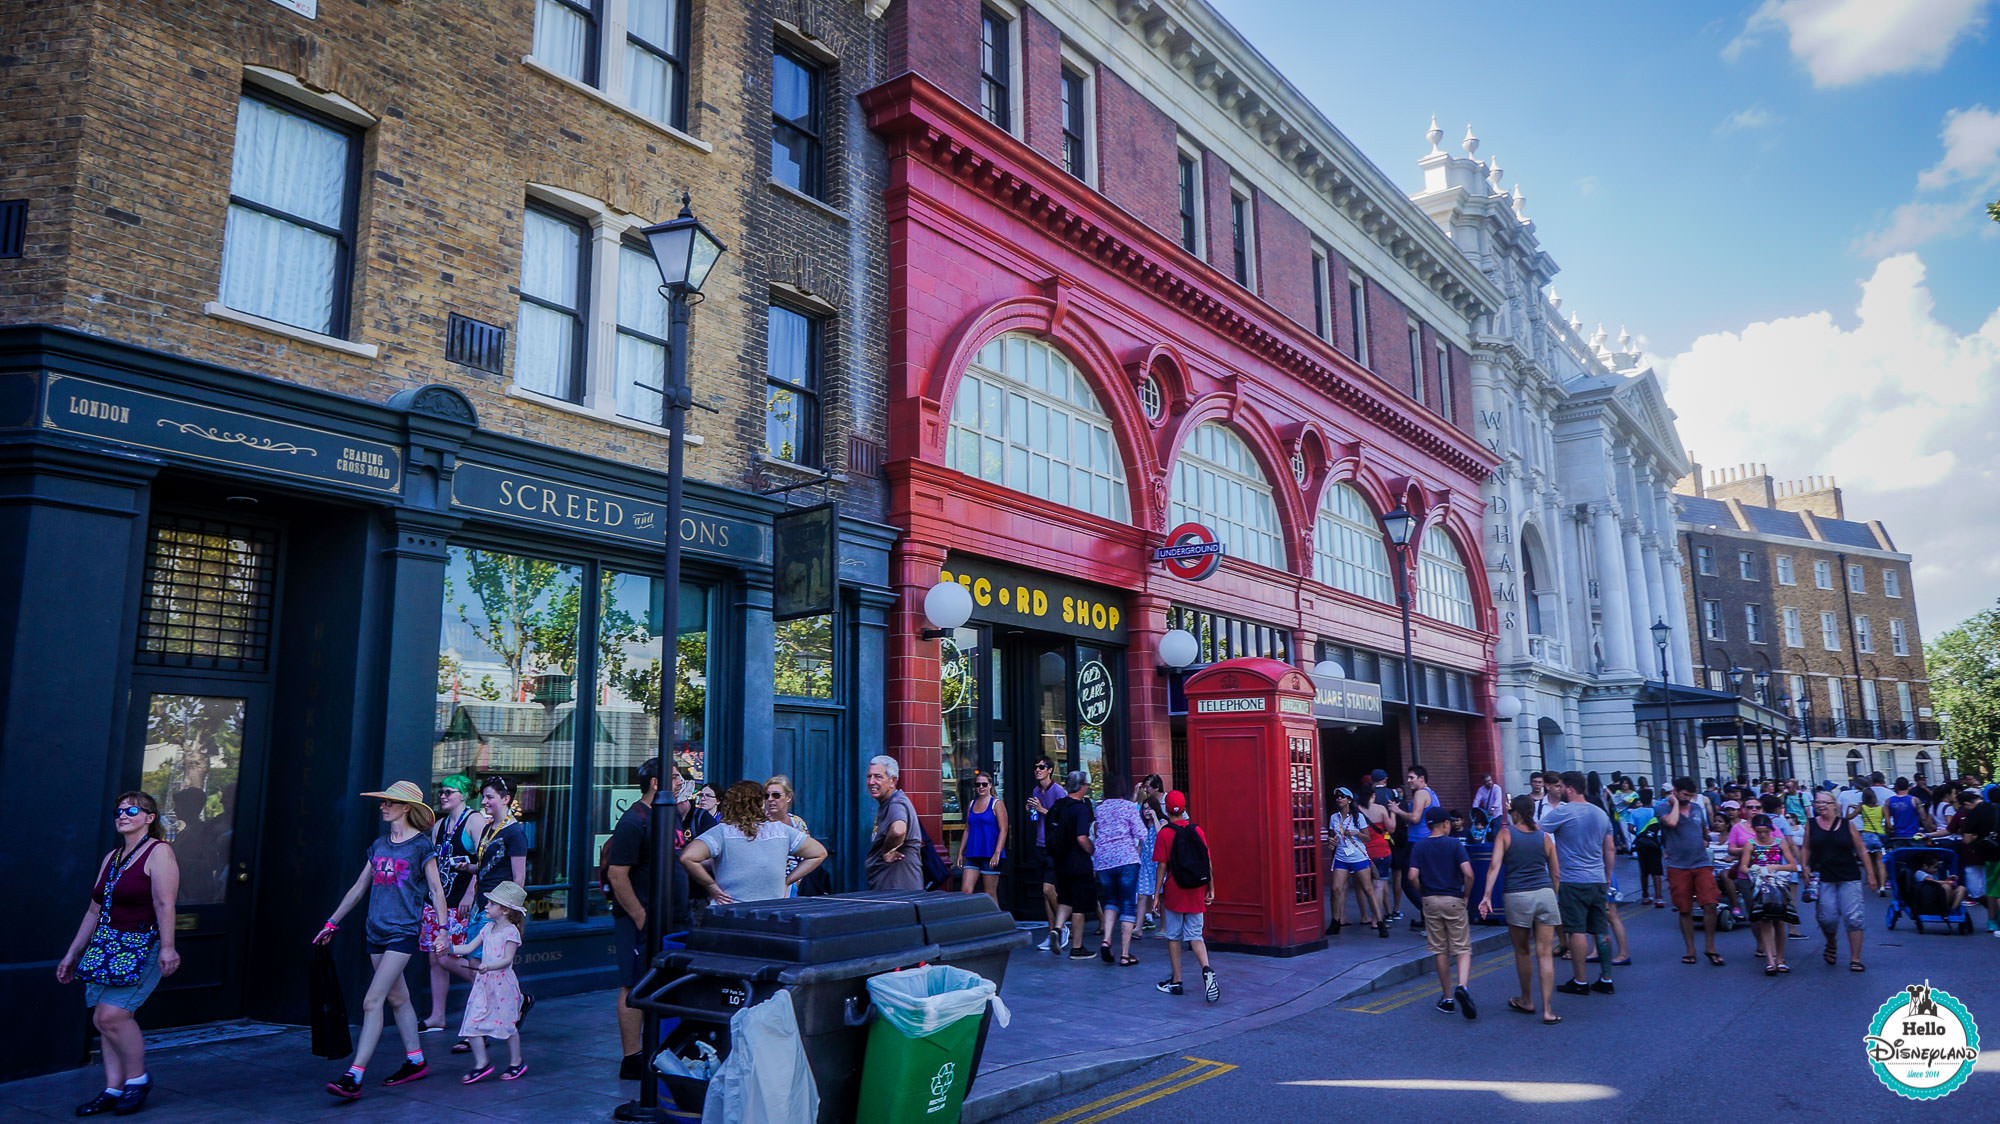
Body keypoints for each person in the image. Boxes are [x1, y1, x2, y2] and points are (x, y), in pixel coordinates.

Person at [314, 781, 452, 1100]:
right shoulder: (379, 845)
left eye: (389, 802)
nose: (383, 806)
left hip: (402, 933)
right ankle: (416, 1061)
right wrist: (331, 922)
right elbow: (358, 888)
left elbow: (436, 890)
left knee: (371, 1001)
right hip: (374, 931)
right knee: (397, 999)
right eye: (383, 802)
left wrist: (443, 930)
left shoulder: (421, 846)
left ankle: (354, 1075)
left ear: (406, 808)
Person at [57, 791, 181, 1117]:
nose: (122, 815)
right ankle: (113, 1088)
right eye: (118, 811)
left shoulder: (159, 852)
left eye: (132, 810)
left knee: (114, 1016)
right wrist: (72, 954)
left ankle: (138, 1080)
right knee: (102, 1019)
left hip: (141, 945)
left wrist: (167, 947)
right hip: (105, 947)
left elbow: (165, 903)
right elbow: (93, 909)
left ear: (150, 817)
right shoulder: (111, 857)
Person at [605, 757, 673, 1081]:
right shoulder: (633, 821)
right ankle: (632, 1059)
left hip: (663, 918)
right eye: (673, 776)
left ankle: (655, 1051)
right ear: (656, 784)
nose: (680, 781)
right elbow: (618, 875)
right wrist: (641, 916)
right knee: (633, 984)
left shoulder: (663, 817)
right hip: (637, 919)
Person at [1479, 795, 1561, 1024]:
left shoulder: (1506, 834)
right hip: (1544, 894)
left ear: (1515, 812)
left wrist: (1486, 896)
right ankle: (1548, 1010)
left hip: (1517, 895)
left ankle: (1526, 999)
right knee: (1545, 953)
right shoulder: (1545, 837)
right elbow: (1556, 872)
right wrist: (1553, 894)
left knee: (1523, 951)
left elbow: (1494, 866)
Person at [682, 781, 828, 904]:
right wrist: (787, 881)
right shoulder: (781, 830)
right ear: (760, 803)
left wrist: (711, 886)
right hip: (770, 911)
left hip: (729, 911)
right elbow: (819, 853)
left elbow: (688, 857)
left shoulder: (722, 832)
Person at [1540, 771, 1616, 995]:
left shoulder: (1564, 811)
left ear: (1570, 788)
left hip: (1572, 880)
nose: (1558, 790)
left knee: (1577, 931)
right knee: (1601, 929)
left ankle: (1580, 981)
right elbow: (1609, 848)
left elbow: (1537, 831)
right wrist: (1608, 876)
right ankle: (1606, 978)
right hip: (1598, 879)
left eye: (1561, 786)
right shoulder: (1600, 813)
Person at [421, 774, 484, 1035]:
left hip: (460, 901)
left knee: (447, 957)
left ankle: (495, 989)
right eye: (442, 791)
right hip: (437, 902)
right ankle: (437, 1015)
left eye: (449, 792)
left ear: (464, 795)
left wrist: (471, 892)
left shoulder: (474, 821)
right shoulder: (440, 825)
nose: (443, 796)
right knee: (434, 960)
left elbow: (485, 860)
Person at [451, 880, 528, 1083]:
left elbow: (507, 959)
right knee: (472, 1022)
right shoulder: (487, 929)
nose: (486, 906)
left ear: (504, 910)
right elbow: (468, 948)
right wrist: (449, 949)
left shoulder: (510, 932)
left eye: (491, 904)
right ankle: (481, 1062)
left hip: (502, 986)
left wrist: (488, 966)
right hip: (484, 985)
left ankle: (516, 1062)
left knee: (508, 1026)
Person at [1408, 807, 1475, 1018]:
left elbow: (1411, 876)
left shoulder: (1420, 846)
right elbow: (1469, 874)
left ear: (1428, 825)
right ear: (1446, 823)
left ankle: (1447, 998)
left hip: (1430, 900)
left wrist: (1423, 893)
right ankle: (1462, 987)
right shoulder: (1454, 844)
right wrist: (1466, 896)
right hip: (1453, 898)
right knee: (1462, 948)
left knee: (1440, 949)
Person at [1153, 790, 1218, 1002]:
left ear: (1165, 809)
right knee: (1195, 935)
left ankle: (1177, 981)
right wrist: (1211, 887)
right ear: (1184, 808)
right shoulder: (1197, 830)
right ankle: (1207, 970)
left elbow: (1162, 867)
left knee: (1173, 936)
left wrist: (1155, 895)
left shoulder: (1164, 833)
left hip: (1175, 889)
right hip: (1196, 889)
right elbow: (1207, 861)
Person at [1804, 789, 1876, 972]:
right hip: (1823, 876)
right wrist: (1804, 867)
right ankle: (1831, 942)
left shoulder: (1847, 824)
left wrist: (1871, 874)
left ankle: (1855, 959)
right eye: (1816, 803)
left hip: (1848, 875)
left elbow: (1861, 850)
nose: (1819, 806)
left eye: (1823, 803)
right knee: (1826, 917)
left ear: (1833, 805)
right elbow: (1806, 848)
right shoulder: (1811, 825)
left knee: (1853, 917)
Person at [1091, 773, 1145, 965]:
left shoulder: (1100, 808)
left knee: (1111, 901)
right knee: (1128, 904)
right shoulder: (1130, 807)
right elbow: (1141, 833)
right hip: (1126, 859)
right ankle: (1124, 953)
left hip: (1104, 861)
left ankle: (1106, 940)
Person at [1738, 814, 1801, 975]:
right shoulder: (1750, 844)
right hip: (1761, 885)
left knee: (1779, 921)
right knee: (1765, 920)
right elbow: (1743, 867)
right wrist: (1756, 869)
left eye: (1765, 831)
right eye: (1759, 832)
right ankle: (1770, 959)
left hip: (1777, 884)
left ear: (1770, 830)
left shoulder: (1779, 843)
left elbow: (1793, 865)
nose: (1763, 835)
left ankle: (1780, 958)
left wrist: (1776, 868)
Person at [1047, 771, 1098, 959]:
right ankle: (1077, 947)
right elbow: (1081, 837)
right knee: (1079, 905)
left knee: (1065, 899)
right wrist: (1093, 851)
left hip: (1060, 861)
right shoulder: (1081, 808)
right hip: (1078, 862)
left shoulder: (1057, 806)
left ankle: (1057, 928)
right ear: (1082, 786)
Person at [864, 756, 924, 891]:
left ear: (893, 781)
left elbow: (898, 830)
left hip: (897, 888)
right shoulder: (888, 803)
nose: (871, 782)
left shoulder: (896, 803)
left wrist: (886, 851)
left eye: (878, 777)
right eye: (869, 776)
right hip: (891, 886)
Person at [1326, 788, 1380, 936]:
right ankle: (1335, 922)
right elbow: (1333, 839)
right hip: (1341, 857)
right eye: (1337, 797)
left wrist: (1356, 833)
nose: (1339, 799)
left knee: (1368, 890)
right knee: (1336, 889)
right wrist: (1331, 841)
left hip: (1358, 857)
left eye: (1342, 797)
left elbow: (1368, 838)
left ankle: (1380, 922)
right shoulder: (1334, 818)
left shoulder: (1358, 817)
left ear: (1349, 800)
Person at [1027, 757, 1067, 951]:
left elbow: (1062, 818)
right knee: (1045, 893)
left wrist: (1041, 809)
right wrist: (1031, 810)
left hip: (1055, 845)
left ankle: (1062, 927)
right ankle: (1052, 933)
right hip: (1040, 844)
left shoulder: (1059, 791)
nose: (1037, 770)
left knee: (1047, 889)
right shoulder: (1036, 791)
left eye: (1041, 767)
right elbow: (1036, 818)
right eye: (1036, 767)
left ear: (1050, 770)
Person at [1388, 766, 1435, 928]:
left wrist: (1396, 810)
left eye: (1411, 778)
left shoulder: (1421, 793)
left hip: (1417, 843)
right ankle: (1426, 918)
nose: (1408, 781)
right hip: (1426, 841)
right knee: (1422, 881)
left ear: (1421, 778)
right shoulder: (1432, 794)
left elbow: (1415, 818)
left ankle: (1429, 914)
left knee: (1407, 882)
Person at [952, 771, 1008, 902]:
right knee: (965, 892)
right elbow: (967, 829)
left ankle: (998, 921)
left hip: (990, 853)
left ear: (990, 785)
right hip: (973, 852)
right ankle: (971, 921)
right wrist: (960, 853)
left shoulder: (997, 804)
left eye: (984, 784)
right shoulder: (972, 804)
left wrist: (997, 852)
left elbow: (1004, 829)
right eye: (978, 785)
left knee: (989, 894)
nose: (981, 787)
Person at [764, 774, 815, 896]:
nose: (770, 799)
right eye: (766, 796)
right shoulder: (759, 823)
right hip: (768, 884)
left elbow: (809, 855)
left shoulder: (797, 822)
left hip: (797, 884)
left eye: (776, 795)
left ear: (788, 797)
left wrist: (793, 882)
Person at [1134, 780, 1166, 934]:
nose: (1146, 811)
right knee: (1142, 895)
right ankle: (1138, 928)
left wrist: (1154, 818)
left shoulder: (1162, 821)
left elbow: (1162, 837)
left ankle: (1164, 927)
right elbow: (1140, 845)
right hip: (1146, 864)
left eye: (1149, 808)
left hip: (1159, 864)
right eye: (1145, 809)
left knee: (1162, 897)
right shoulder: (1142, 825)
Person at [1856, 786, 1889, 893]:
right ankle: (1883, 886)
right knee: (1880, 862)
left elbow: (1848, 817)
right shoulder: (1882, 808)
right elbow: (1888, 824)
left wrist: (1849, 808)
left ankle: (1876, 883)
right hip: (1879, 835)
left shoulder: (1862, 807)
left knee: (1871, 862)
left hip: (1866, 835)